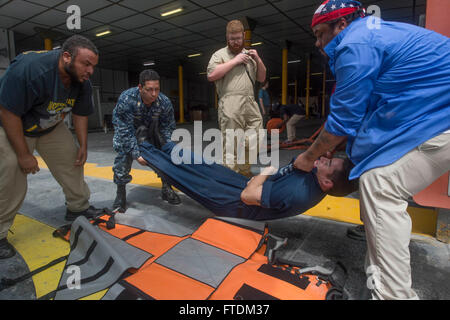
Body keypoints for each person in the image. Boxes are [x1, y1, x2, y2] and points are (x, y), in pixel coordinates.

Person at [293, 0, 450, 300]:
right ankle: (379, 274)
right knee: (376, 176)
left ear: (341, 24)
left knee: (379, 184)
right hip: (435, 111)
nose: (318, 43)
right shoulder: (373, 34)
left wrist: (307, 157)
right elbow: (366, 116)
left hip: (442, 117)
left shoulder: (355, 43)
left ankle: (391, 296)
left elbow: (343, 122)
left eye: (320, 34)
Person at [0, 35, 104, 259]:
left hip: (49, 123)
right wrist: (24, 154)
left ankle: (77, 207)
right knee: (11, 173)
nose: (90, 71)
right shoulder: (30, 69)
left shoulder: (82, 81)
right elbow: (8, 112)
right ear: (67, 56)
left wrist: (83, 145)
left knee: (72, 160)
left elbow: (80, 113)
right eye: (86, 64)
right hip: (16, 123)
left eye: (93, 66)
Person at [136, 134, 357, 221]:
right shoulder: (312, 178)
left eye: (327, 164)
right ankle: (165, 147)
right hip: (244, 187)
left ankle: (147, 155)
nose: (322, 160)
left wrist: (265, 172)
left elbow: (248, 195)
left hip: (233, 202)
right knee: (202, 164)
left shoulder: (298, 192)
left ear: (327, 183)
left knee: (186, 177)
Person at [112, 69, 180, 212]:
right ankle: (120, 194)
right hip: (129, 133)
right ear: (140, 87)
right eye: (149, 90)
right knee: (123, 156)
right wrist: (136, 153)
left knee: (167, 155)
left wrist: (167, 147)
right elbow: (124, 130)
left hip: (151, 133)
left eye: (157, 89)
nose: (154, 94)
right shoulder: (127, 99)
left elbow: (167, 127)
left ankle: (166, 188)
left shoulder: (164, 101)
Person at [207, 20, 267, 177]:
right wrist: (235, 61)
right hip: (230, 102)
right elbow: (211, 75)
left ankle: (245, 171)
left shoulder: (250, 56)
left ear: (243, 37)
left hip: (250, 101)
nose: (235, 42)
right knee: (232, 142)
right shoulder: (219, 55)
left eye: (238, 38)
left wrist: (258, 59)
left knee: (256, 137)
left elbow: (261, 77)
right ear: (227, 37)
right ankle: (230, 177)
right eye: (232, 38)